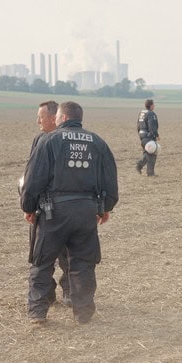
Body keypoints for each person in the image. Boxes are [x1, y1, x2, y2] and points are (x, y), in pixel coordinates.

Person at [20, 101, 119, 325]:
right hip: (86, 212)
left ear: (62, 118)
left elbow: (34, 178)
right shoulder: (98, 142)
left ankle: (37, 311)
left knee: (43, 262)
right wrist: (105, 208)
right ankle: (83, 313)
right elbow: (110, 179)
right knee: (83, 263)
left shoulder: (48, 141)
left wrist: (28, 207)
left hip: (53, 212)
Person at [27, 101, 71, 307]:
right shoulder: (39, 140)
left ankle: (70, 292)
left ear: (54, 118)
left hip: (63, 208)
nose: (38, 121)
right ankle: (47, 293)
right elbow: (32, 175)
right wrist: (30, 206)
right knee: (39, 255)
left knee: (67, 254)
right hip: (42, 208)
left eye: (41, 117)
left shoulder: (67, 141)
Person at [135, 99, 160, 176]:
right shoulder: (151, 114)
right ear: (151, 105)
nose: (154, 106)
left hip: (142, 136)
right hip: (148, 136)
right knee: (152, 153)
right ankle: (150, 173)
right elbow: (152, 126)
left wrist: (140, 135)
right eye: (153, 104)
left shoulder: (142, 113)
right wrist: (156, 135)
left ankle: (139, 166)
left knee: (147, 152)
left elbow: (138, 125)